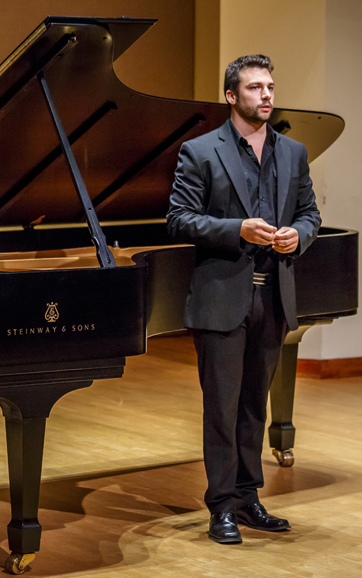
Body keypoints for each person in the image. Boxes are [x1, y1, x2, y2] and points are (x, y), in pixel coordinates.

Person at [166, 55, 321, 544]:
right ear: (232, 97)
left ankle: (250, 498)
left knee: (255, 404)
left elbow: (311, 213)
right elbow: (179, 220)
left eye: (271, 86)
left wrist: (299, 234)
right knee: (222, 407)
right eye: (256, 88)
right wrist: (238, 229)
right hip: (222, 297)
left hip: (273, 297)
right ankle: (221, 508)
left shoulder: (293, 152)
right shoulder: (200, 151)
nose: (268, 95)